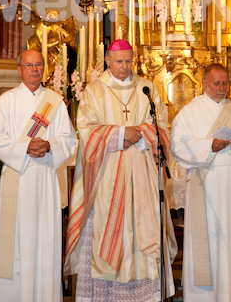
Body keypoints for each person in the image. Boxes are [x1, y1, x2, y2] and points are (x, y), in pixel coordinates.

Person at [64, 39, 176, 302]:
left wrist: (141, 134)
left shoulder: (147, 88)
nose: (125, 67)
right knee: (107, 230)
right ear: (107, 60)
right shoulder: (94, 90)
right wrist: (119, 134)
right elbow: (87, 131)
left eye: (128, 61)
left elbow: (160, 125)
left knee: (143, 231)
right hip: (107, 176)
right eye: (119, 62)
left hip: (141, 175)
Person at [0, 49, 77, 302]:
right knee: (17, 243)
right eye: (29, 65)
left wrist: (49, 146)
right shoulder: (7, 101)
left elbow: (69, 140)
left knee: (45, 239)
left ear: (44, 68)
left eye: (39, 64)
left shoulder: (54, 101)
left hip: (45, 177)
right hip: (18, 176)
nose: (35, 69)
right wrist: (25, 147)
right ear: (19, 69)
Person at [170, 63, 231, 301]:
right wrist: (209, 146)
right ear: (203, 83)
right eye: (216, 83)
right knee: (209, 248)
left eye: (225, 83)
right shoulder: (189, 113)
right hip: (207, 185)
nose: (222, 88)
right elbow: (178, 147)